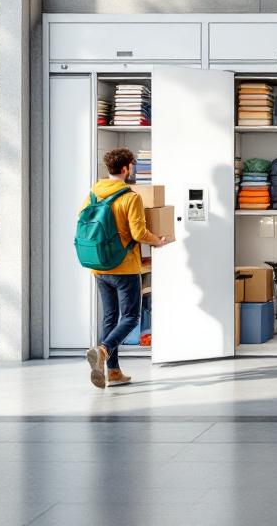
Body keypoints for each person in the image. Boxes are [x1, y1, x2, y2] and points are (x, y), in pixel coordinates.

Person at [82, 147, 171, 389]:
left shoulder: (93, 194)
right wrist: (159, 241)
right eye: (132, 166)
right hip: (124, 267)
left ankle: (113, 372)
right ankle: (103, 350)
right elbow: (138, 232)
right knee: (131, 317)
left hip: (99, 266)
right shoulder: (130, 197)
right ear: (125, 168)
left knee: (110, 318)